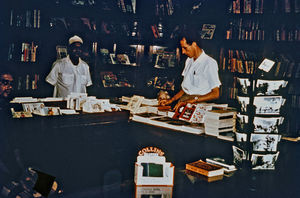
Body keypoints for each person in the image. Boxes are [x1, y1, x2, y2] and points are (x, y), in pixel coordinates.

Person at [159, 29, 221, 111]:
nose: (183, 52)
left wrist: (193, 100)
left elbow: (215, 94)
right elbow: (186, 89)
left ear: (194, 44)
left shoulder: (209, 63)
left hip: (199, 106)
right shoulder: (189, 61)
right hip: (184, 103)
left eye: (185, 48)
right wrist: (171, 100)